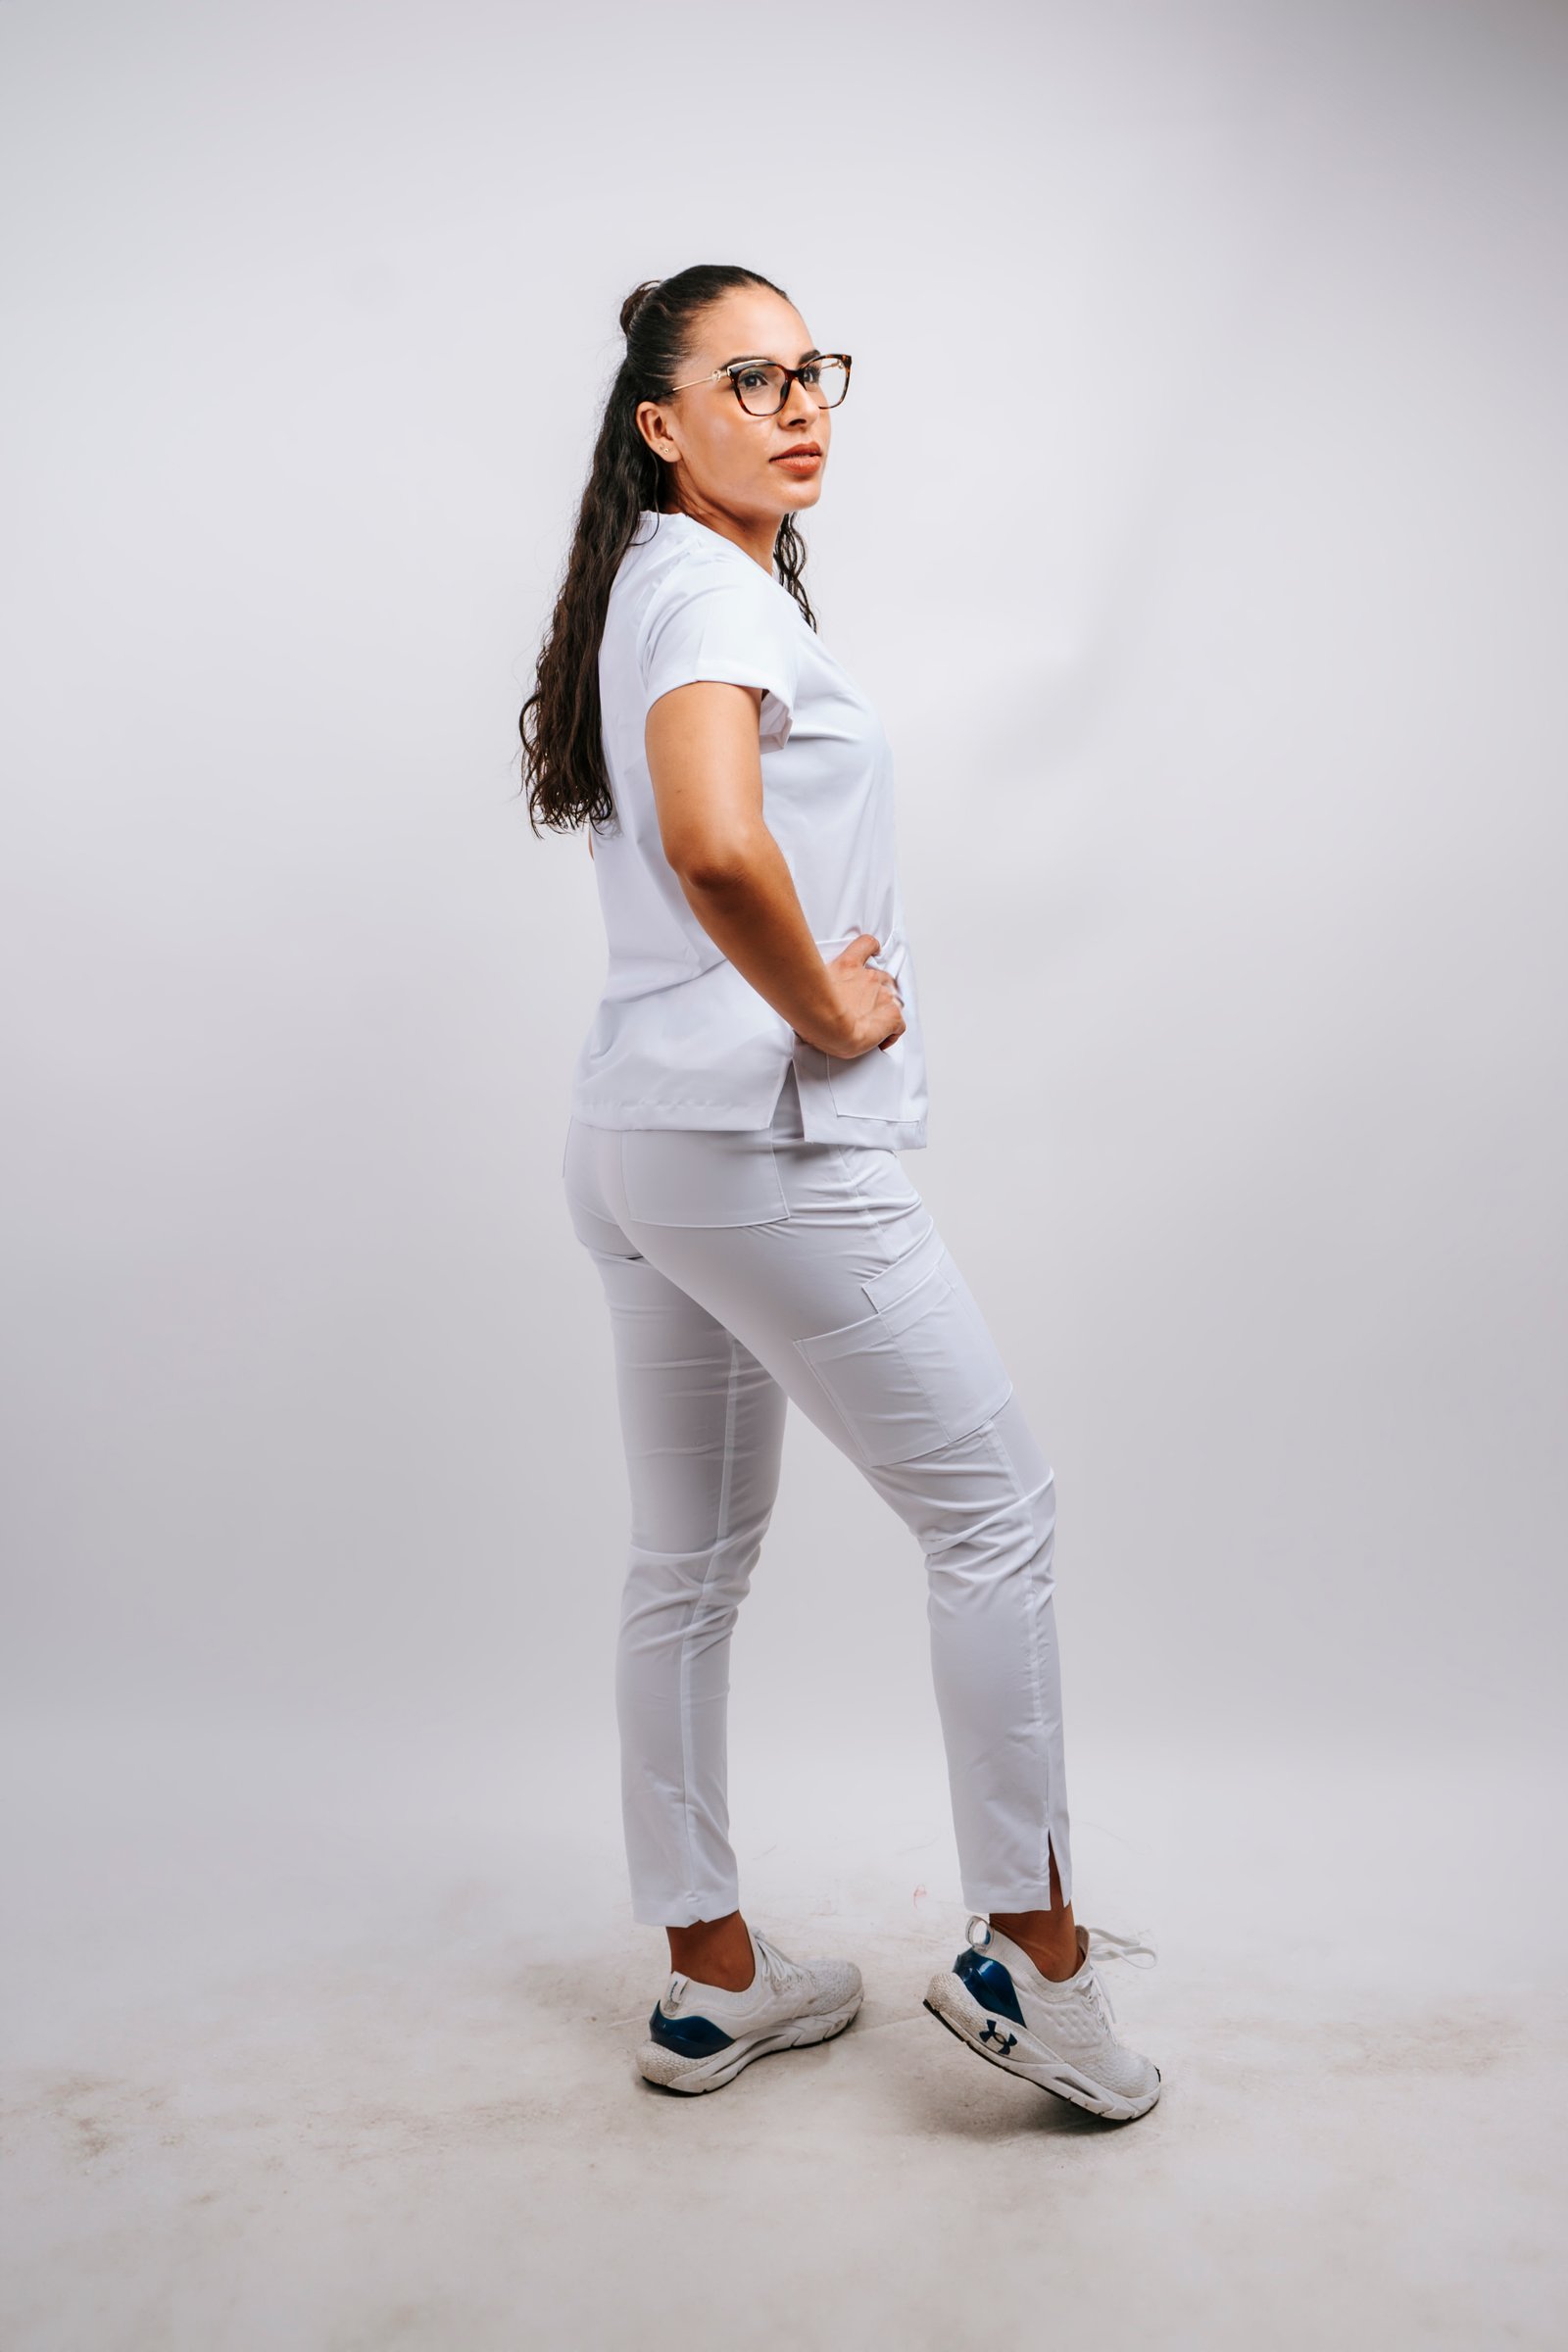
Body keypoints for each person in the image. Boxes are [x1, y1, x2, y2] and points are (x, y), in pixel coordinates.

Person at [518, 264, 1160, 2119]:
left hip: (638, 1140)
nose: (798, 404)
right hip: (758, 1142)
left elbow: (705, 844)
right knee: (997, 1518)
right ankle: (1036, 1962)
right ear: (662, 425)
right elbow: (718, 843)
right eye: (750, 378)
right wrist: (830, 1010)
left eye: (811, 372)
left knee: (686, 1566)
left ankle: (710, 1982)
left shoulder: (656, 584)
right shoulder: (715, 593)